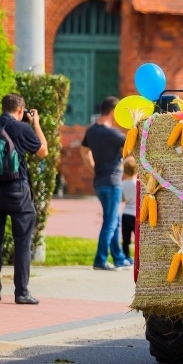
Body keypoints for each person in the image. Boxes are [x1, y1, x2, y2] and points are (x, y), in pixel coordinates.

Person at [0, 93, 48, 304]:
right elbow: (43, 151)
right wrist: (35, 123)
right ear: (20, 110)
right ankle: (21, 292)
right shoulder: (22, 128)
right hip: (17, 191)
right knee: (22, 241)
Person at [81, 96, 132, 271]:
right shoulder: (114, 134)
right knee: (110, 222)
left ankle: (119, 258)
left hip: (99, 181)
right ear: (112, 112)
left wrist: (94, 167)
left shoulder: (92, 130)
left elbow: (83, 150)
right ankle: (100, 260)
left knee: (115, 220)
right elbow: (133, 146)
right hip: (112, 182)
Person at [120, 156, 137, 261]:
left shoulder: (123, 184)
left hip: (126, 214)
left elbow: (122, 199)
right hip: (136, 215)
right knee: (138, 238)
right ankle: (137, 257)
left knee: (125, 239)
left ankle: (126, 257)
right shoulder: (138, 184)